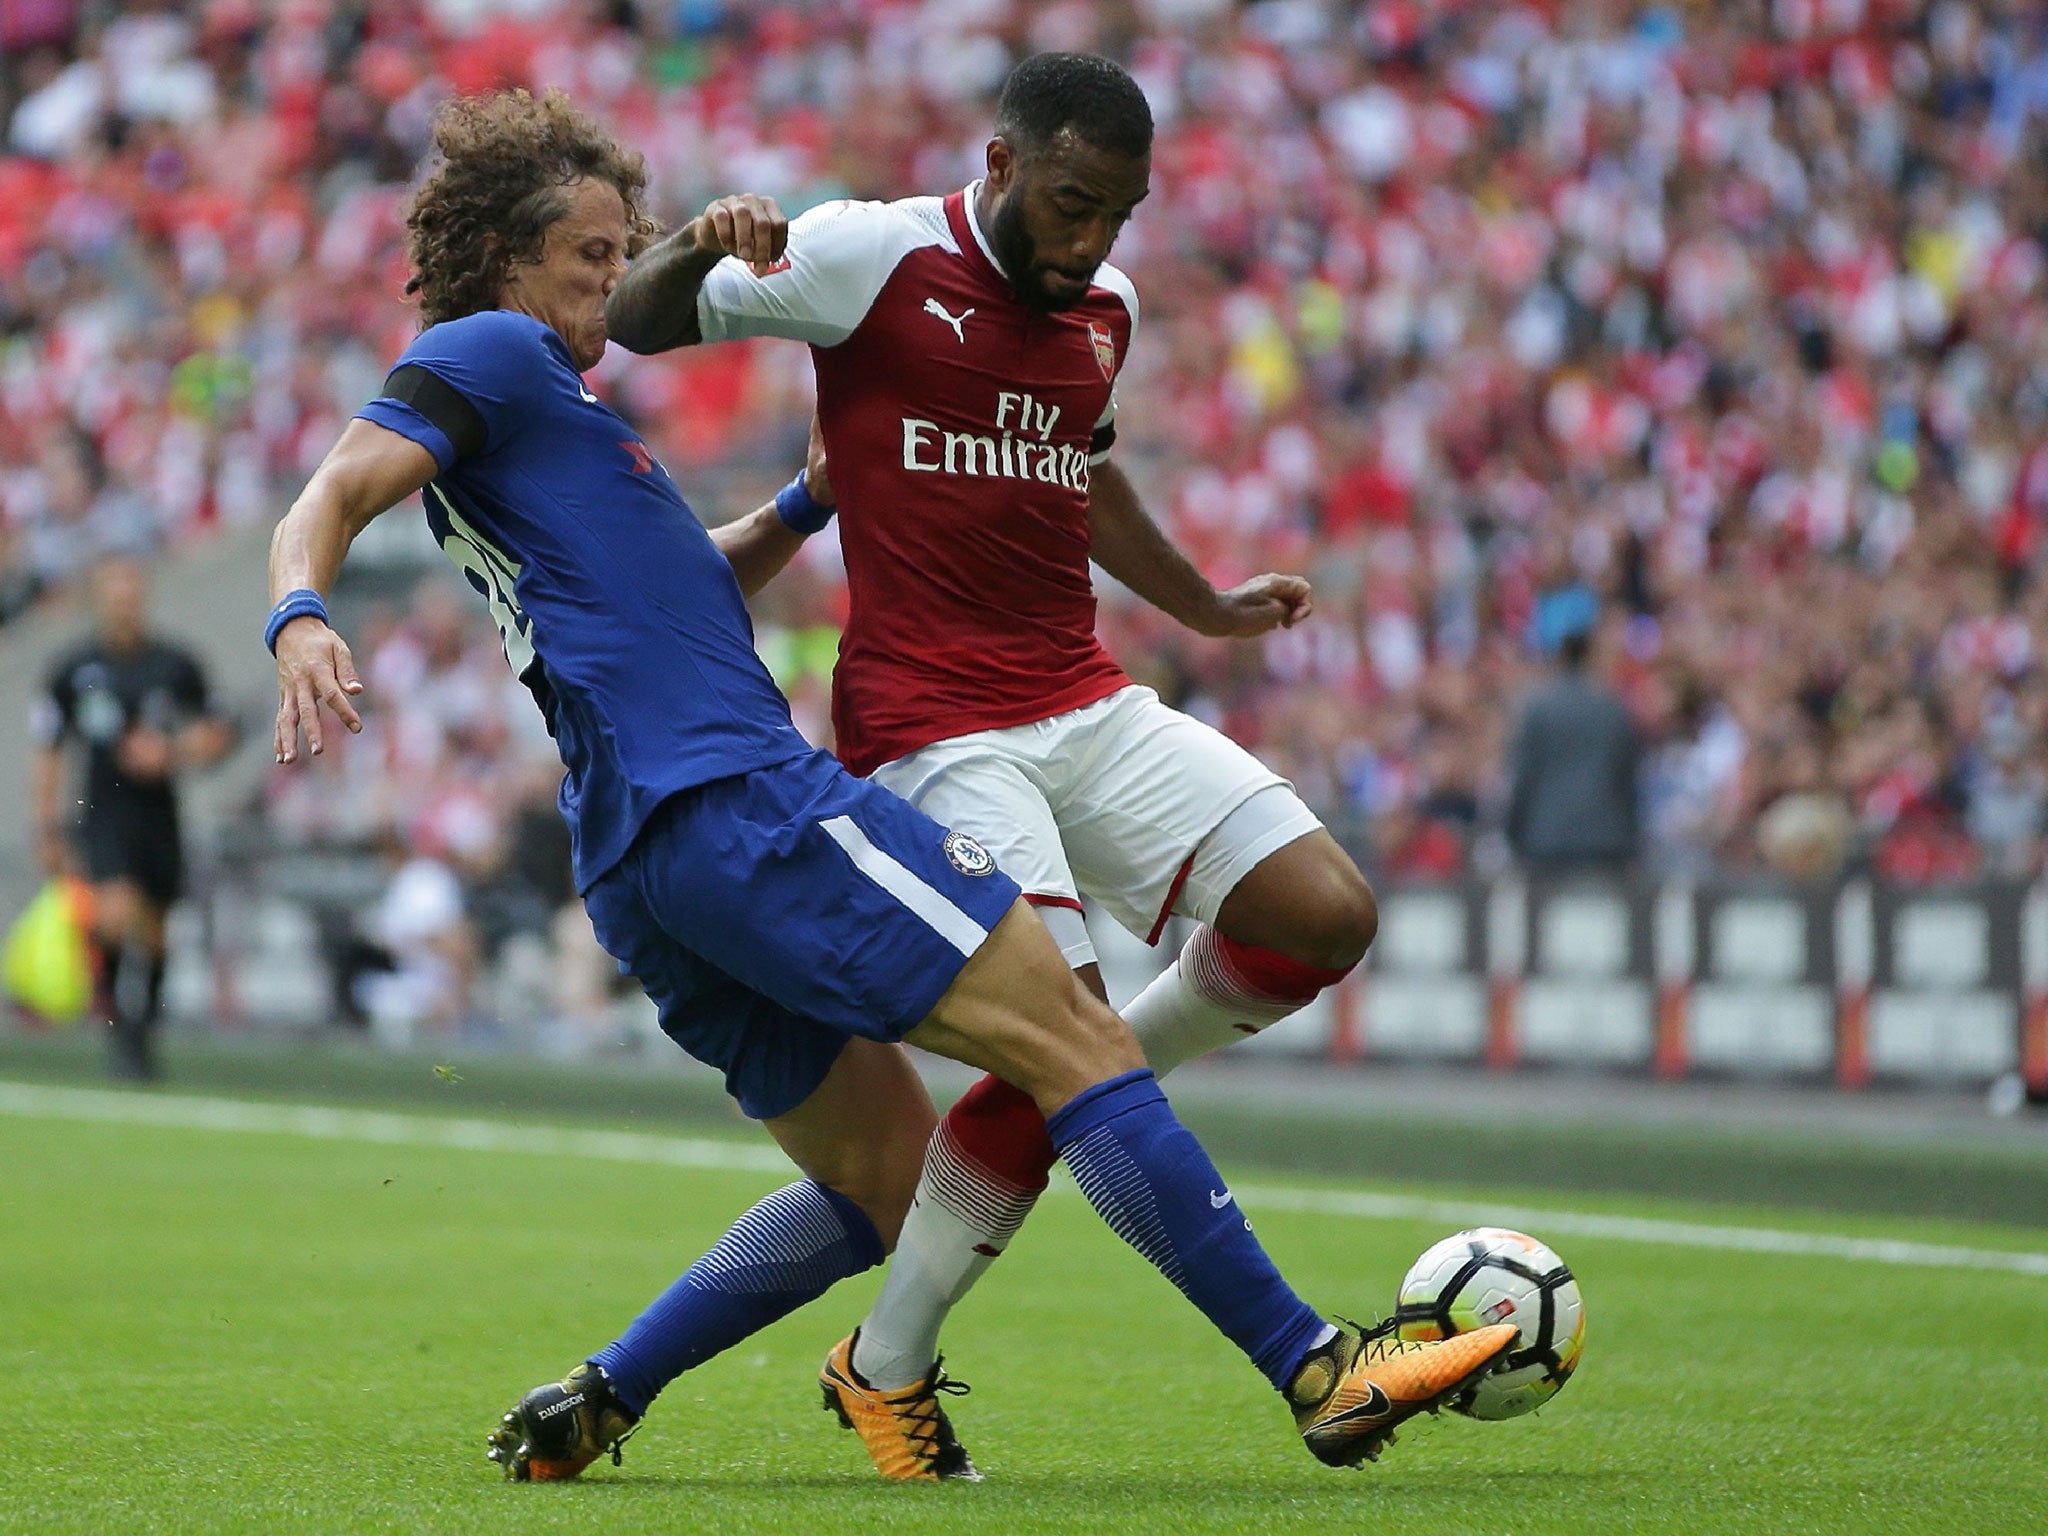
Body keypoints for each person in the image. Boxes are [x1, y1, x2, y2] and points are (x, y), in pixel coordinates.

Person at [267, 88, 1510, 1487]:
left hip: (636, 859)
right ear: (505, 259)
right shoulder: (491, 352)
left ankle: (604, 1395)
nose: (610, 283)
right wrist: (299, 609)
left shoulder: (553, 427)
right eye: (590, 256)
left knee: (885, 1181)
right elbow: (328, 490)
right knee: (1077, 1046)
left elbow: (677, 586)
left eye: (623, 254)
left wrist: (803, 506)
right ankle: (1319, 1368)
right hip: (734, 800)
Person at [604, 51, 1383, 1478]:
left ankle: (887, 1356)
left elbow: (1079, 467)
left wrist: (1200, 602)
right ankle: (1309, 1357)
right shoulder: (868, 255)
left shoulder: (1108, 308)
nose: (1091, 243)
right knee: (1063, 1056)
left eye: (1120, 217)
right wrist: (689, 244)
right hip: (932, 727)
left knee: (1325, 916)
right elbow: (633, 325)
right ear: (1007, 163)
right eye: (1073, 205)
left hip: (1081, 697)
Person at [29, 553, 231, 1079]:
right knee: (113, 914)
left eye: (131, 593)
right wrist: (48, 823)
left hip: (159, 814)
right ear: (98, 600)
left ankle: (145, 1030)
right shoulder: (74, 670)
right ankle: (115, 1020)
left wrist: (172, 751)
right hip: (103, 811)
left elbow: (217, 730)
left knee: (158, 933)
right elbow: (49, 750)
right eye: (113, 594)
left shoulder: (174, 664)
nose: (123, 604)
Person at [1505, 611, 1643, 877]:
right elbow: (1627, 779)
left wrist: (1513, 833)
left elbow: (1522, 776)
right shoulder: (1613, 709)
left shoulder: (1538, 709)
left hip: (1545, 839)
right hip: (1605, 840)